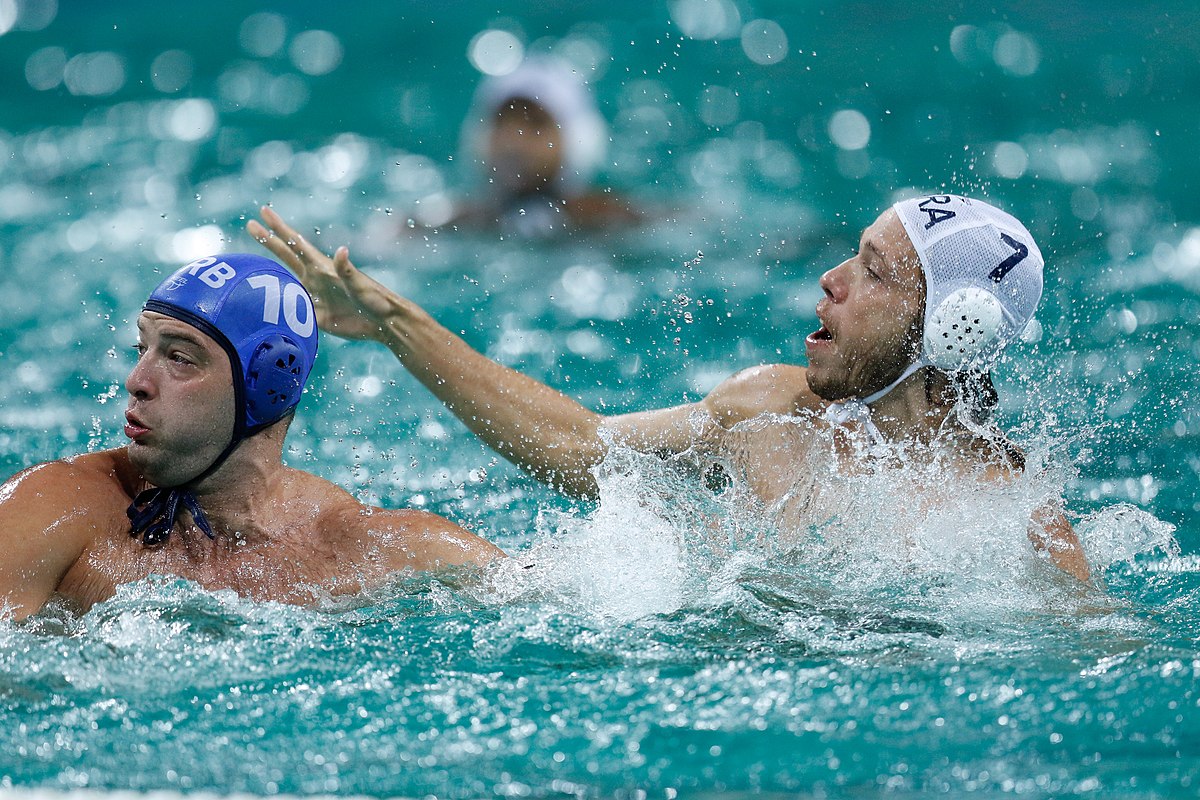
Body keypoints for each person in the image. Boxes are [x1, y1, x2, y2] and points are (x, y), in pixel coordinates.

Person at [247, 194, 1091, 582]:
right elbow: (580, 448)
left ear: (952, 330)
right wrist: (396, 321)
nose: (830, 279)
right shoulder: (769, 410)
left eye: (872, 270)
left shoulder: (1011, 523)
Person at [0, 253, 504, 622]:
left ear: (266, 383)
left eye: (178, 357)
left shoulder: (370, 551)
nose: (136, 379)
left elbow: (561, 611)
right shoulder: (57, 506)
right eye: (142, 347)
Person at [442, 57, 639, 237]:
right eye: (503, 124)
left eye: (535, 125)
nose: (514, 141)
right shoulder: (454, 224)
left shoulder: (620, 222)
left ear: (576, 138)